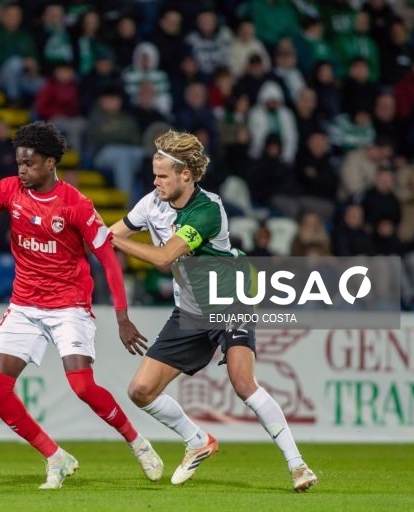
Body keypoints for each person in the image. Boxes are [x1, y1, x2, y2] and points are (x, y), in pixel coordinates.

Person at [0, 121, 162, 489]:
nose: (21, 170)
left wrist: (122, 317)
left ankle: (137, 442)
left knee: (82, 387)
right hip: (24, 305)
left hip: (69, 306)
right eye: (19, 162)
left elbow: (109, 260)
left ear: (50, 163)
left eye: (29, 163)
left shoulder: (76, 205)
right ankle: (56, 457)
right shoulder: (9, 189)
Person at [108, 130, 318, 492]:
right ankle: (197, 441)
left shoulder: (207, 210)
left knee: (242, 382)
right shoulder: (151, 203)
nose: (155, 182)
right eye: (154, 175)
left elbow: (163, 257)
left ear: (185, 175)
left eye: (162, 176)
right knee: (140, 390)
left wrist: (111, 240)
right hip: (190, 310)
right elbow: (107, 235)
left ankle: (298, 466)